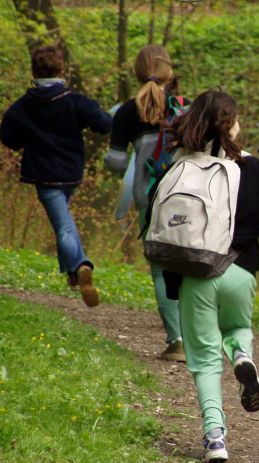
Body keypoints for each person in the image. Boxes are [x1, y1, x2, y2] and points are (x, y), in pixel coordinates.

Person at [161, 90, 259, 463]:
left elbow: (160, 227)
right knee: (238, 328)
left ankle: (215, 438)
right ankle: (241, 354)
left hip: (195, 273)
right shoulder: (250, 167)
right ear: (231, 125)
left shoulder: (179, 166)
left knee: (205, 360)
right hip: (240, 271)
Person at [0, 45, 111, 307]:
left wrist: (28, 138)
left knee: (63, 227)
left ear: (33, 72)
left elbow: (8, 138)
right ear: (62, 70)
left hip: (44, 175)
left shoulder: (23, 106)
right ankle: (73, 273)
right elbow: (104, 123)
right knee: (64, 222)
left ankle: (80, 265)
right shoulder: (74, 101)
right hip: (71, 172)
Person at [104, 44, 188, 362]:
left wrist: (128, 164)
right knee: (192, 262)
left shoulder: (126, 112)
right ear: (170, 72)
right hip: (186, 195)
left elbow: (115, 162)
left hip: (148, 197)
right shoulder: (184, 108)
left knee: (160, 271)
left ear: (136, 73)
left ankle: (177, 341)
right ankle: (201, 336)